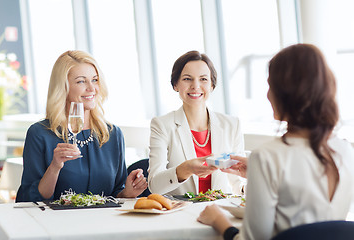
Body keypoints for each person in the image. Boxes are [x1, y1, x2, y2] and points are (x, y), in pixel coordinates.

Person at [197, 43, 354, 239]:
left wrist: (219, 220)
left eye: (270, 85)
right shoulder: (346, 151)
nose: (267, 94)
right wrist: (257, 174)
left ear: (286, 94)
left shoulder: (267, 156)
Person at [16, 50, 147, 202]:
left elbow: (116, 192)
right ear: (63, 87)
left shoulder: (112, 134)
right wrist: (55, 167)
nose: (92, 88)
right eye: (81, 81)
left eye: (95, 80)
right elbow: (30, 198)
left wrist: (128, 193)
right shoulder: (40, 134)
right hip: (57, 223)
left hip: (105, 222)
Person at [148, 50, 246, 196]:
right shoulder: (161, 125)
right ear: (175, 85)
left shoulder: (232, 125)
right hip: (180, 214)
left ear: (212, 85)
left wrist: (248, 188)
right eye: (187, 79)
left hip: (220, 212)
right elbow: (155, 186)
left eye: (203, 79)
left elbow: (238, 182)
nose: (196, 86)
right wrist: (185, 169)